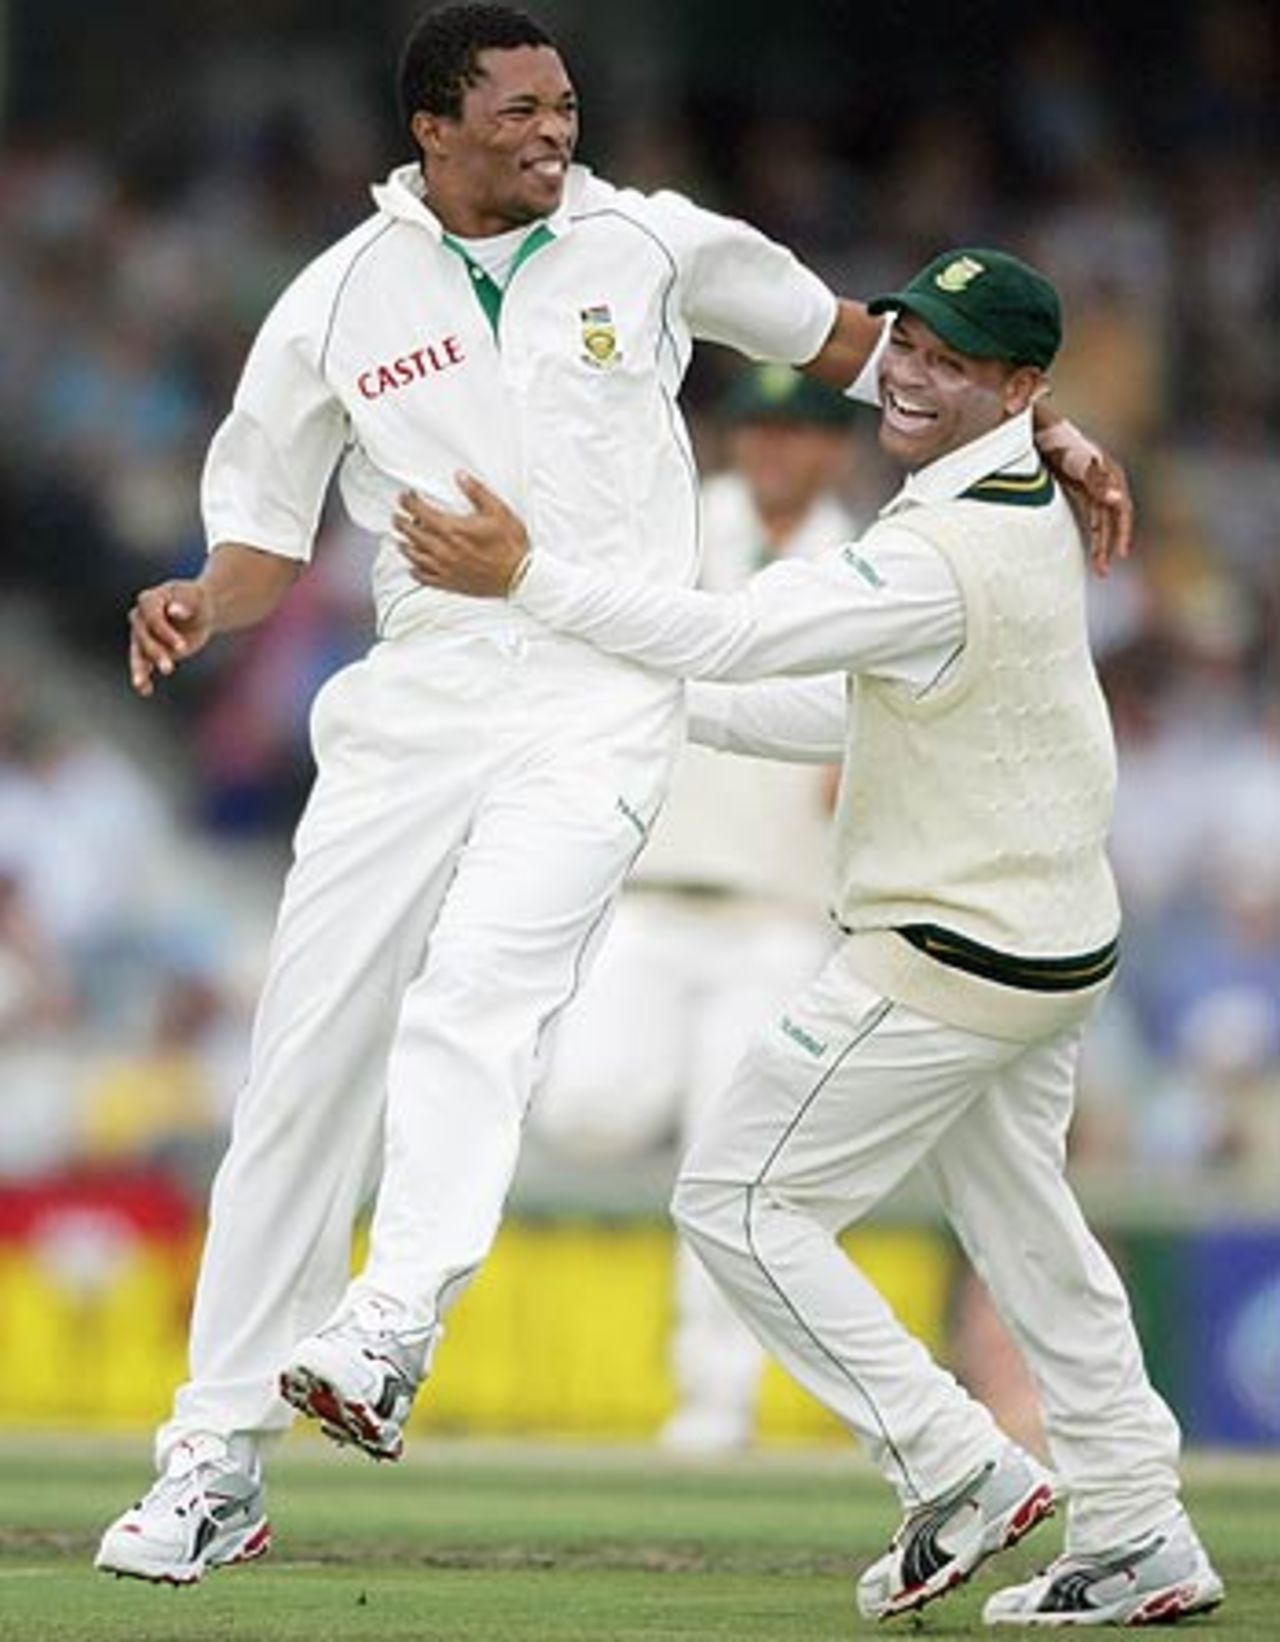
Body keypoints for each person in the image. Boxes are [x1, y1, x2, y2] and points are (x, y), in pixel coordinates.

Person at [97, 0, 1129, 1587]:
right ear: (432, 125)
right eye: (516, 110)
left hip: (604, 685)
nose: (551, 130)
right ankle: (212, 1461)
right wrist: (197, 600)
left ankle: (386, 1321)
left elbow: (864, 349)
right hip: (420, 695)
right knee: (300, 1069)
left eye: (563, 104)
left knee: (483, 987)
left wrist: (1042, 425)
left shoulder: (654, 246)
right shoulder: (334, 302)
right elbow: (264, 534)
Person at [396, 248, 1223, 1627]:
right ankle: (1139, 1524)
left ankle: (956, 1463)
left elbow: (731, 638)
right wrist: (650, 709)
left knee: (735, 1200)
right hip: (1048, 941)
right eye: (904, 338)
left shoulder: (939, 546)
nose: (903, 369)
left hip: (952, 951)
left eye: (949, 359)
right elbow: (848, 713)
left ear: (1018, 387)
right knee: (1032, 1237)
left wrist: (525, 580)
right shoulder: (1003, 496)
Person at [532, 365, 854, 1454]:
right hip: (650, 892)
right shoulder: (670, 529)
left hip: (778, 910)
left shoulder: (860, 564)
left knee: (728, 1165)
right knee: (583, 1110)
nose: (770, 448)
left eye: (793, 431)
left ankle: (714, 1399)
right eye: (756, 427)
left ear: (830, 451)